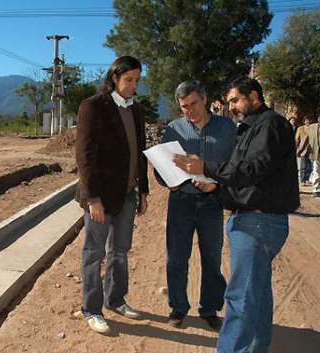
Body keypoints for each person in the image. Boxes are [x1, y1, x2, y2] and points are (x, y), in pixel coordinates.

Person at [174, 77, 299, 353]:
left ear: (253, 97)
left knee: (240, 294)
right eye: (229, 102)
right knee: (258, 288)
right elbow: (247, 181)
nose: (230, 107)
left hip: (258, 222)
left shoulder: (269, 125)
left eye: (234, 100)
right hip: (255, 218)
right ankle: (257, 345)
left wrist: (206, 168)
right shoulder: (254, 127)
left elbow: (251, 170)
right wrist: (215, 188)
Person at [75, 55, 149, 334]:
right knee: (94, 252)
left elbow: (140, 153)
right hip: (100, 196)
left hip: (128, 194)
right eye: (128, 79)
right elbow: (84, 155)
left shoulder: (136, 111)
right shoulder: (94, 106)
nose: (133, 85)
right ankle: (91, 309)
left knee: (120, 250)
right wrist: (92, 198)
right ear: (114, 78)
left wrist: (143, 190)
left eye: (137, 80)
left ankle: (116, 300)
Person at [156, 80, 235, 330]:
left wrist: (217, 185)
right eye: (184, 107)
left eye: (193, 104)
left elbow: (235, 167)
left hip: (212, 203)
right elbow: (161, 166)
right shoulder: (174, 129)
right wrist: (168, 181)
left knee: (211, 257)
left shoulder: (226, 128)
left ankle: (210, 308)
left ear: (205, 99)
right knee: (177, 257)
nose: (189, 110)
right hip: (181, 202)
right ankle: (178, 307)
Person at [295, 117, 313, 185]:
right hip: (303, 149)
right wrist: (297, 147)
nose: (308, 121)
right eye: (306, 120)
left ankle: (307, 179)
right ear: (304, 121)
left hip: (311, 149)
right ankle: (302, 180)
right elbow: (297, 139)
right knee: (303, 166)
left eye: (309, 120)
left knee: (310, 166)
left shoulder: (312, 128)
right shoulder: (300, 128)